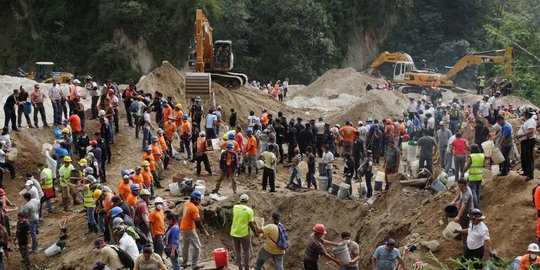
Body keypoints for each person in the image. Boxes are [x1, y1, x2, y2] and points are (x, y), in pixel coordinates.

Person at [180, 191, 209, 269]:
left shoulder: (186, 204)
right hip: (189, 229)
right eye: (199, 200)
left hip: (183, 227)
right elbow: (198, 222)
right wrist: (205, 232)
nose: (200, 201)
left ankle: (184, 263)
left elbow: (185, 216)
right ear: (195, 199)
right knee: (197, 246)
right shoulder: (194, 208)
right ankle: (195, 264)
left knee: (185, 246)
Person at [231, 194, 258, 270]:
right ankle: (247, 268)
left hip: (234, 232)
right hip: (244, 233)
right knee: (246, 251)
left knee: (237, 251)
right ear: (247, 201)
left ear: (240, 200)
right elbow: (251, 224)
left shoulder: (235, 207)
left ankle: (240, 267)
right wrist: (255, 232)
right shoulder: (249, 211)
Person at [462, 144, 485, 209]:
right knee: (477, 192)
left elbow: (467, 166)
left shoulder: (471, 156)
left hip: (473, 177)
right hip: (480, 176)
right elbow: (488, 157)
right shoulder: (482, 155)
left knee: (473, 192)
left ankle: (475, 207)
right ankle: (477, 206)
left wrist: (462, 173)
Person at [517, 106, 536, 181]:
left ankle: (530, 175)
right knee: (524, 157)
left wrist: (521, 135)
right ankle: (525, 171)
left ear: (527, 114)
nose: (523, 114)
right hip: (525, 141)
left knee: (528, 157)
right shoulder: (528, 120)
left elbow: (530, 131)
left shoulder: (531, 121)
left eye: (524, 113)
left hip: (528, 141)